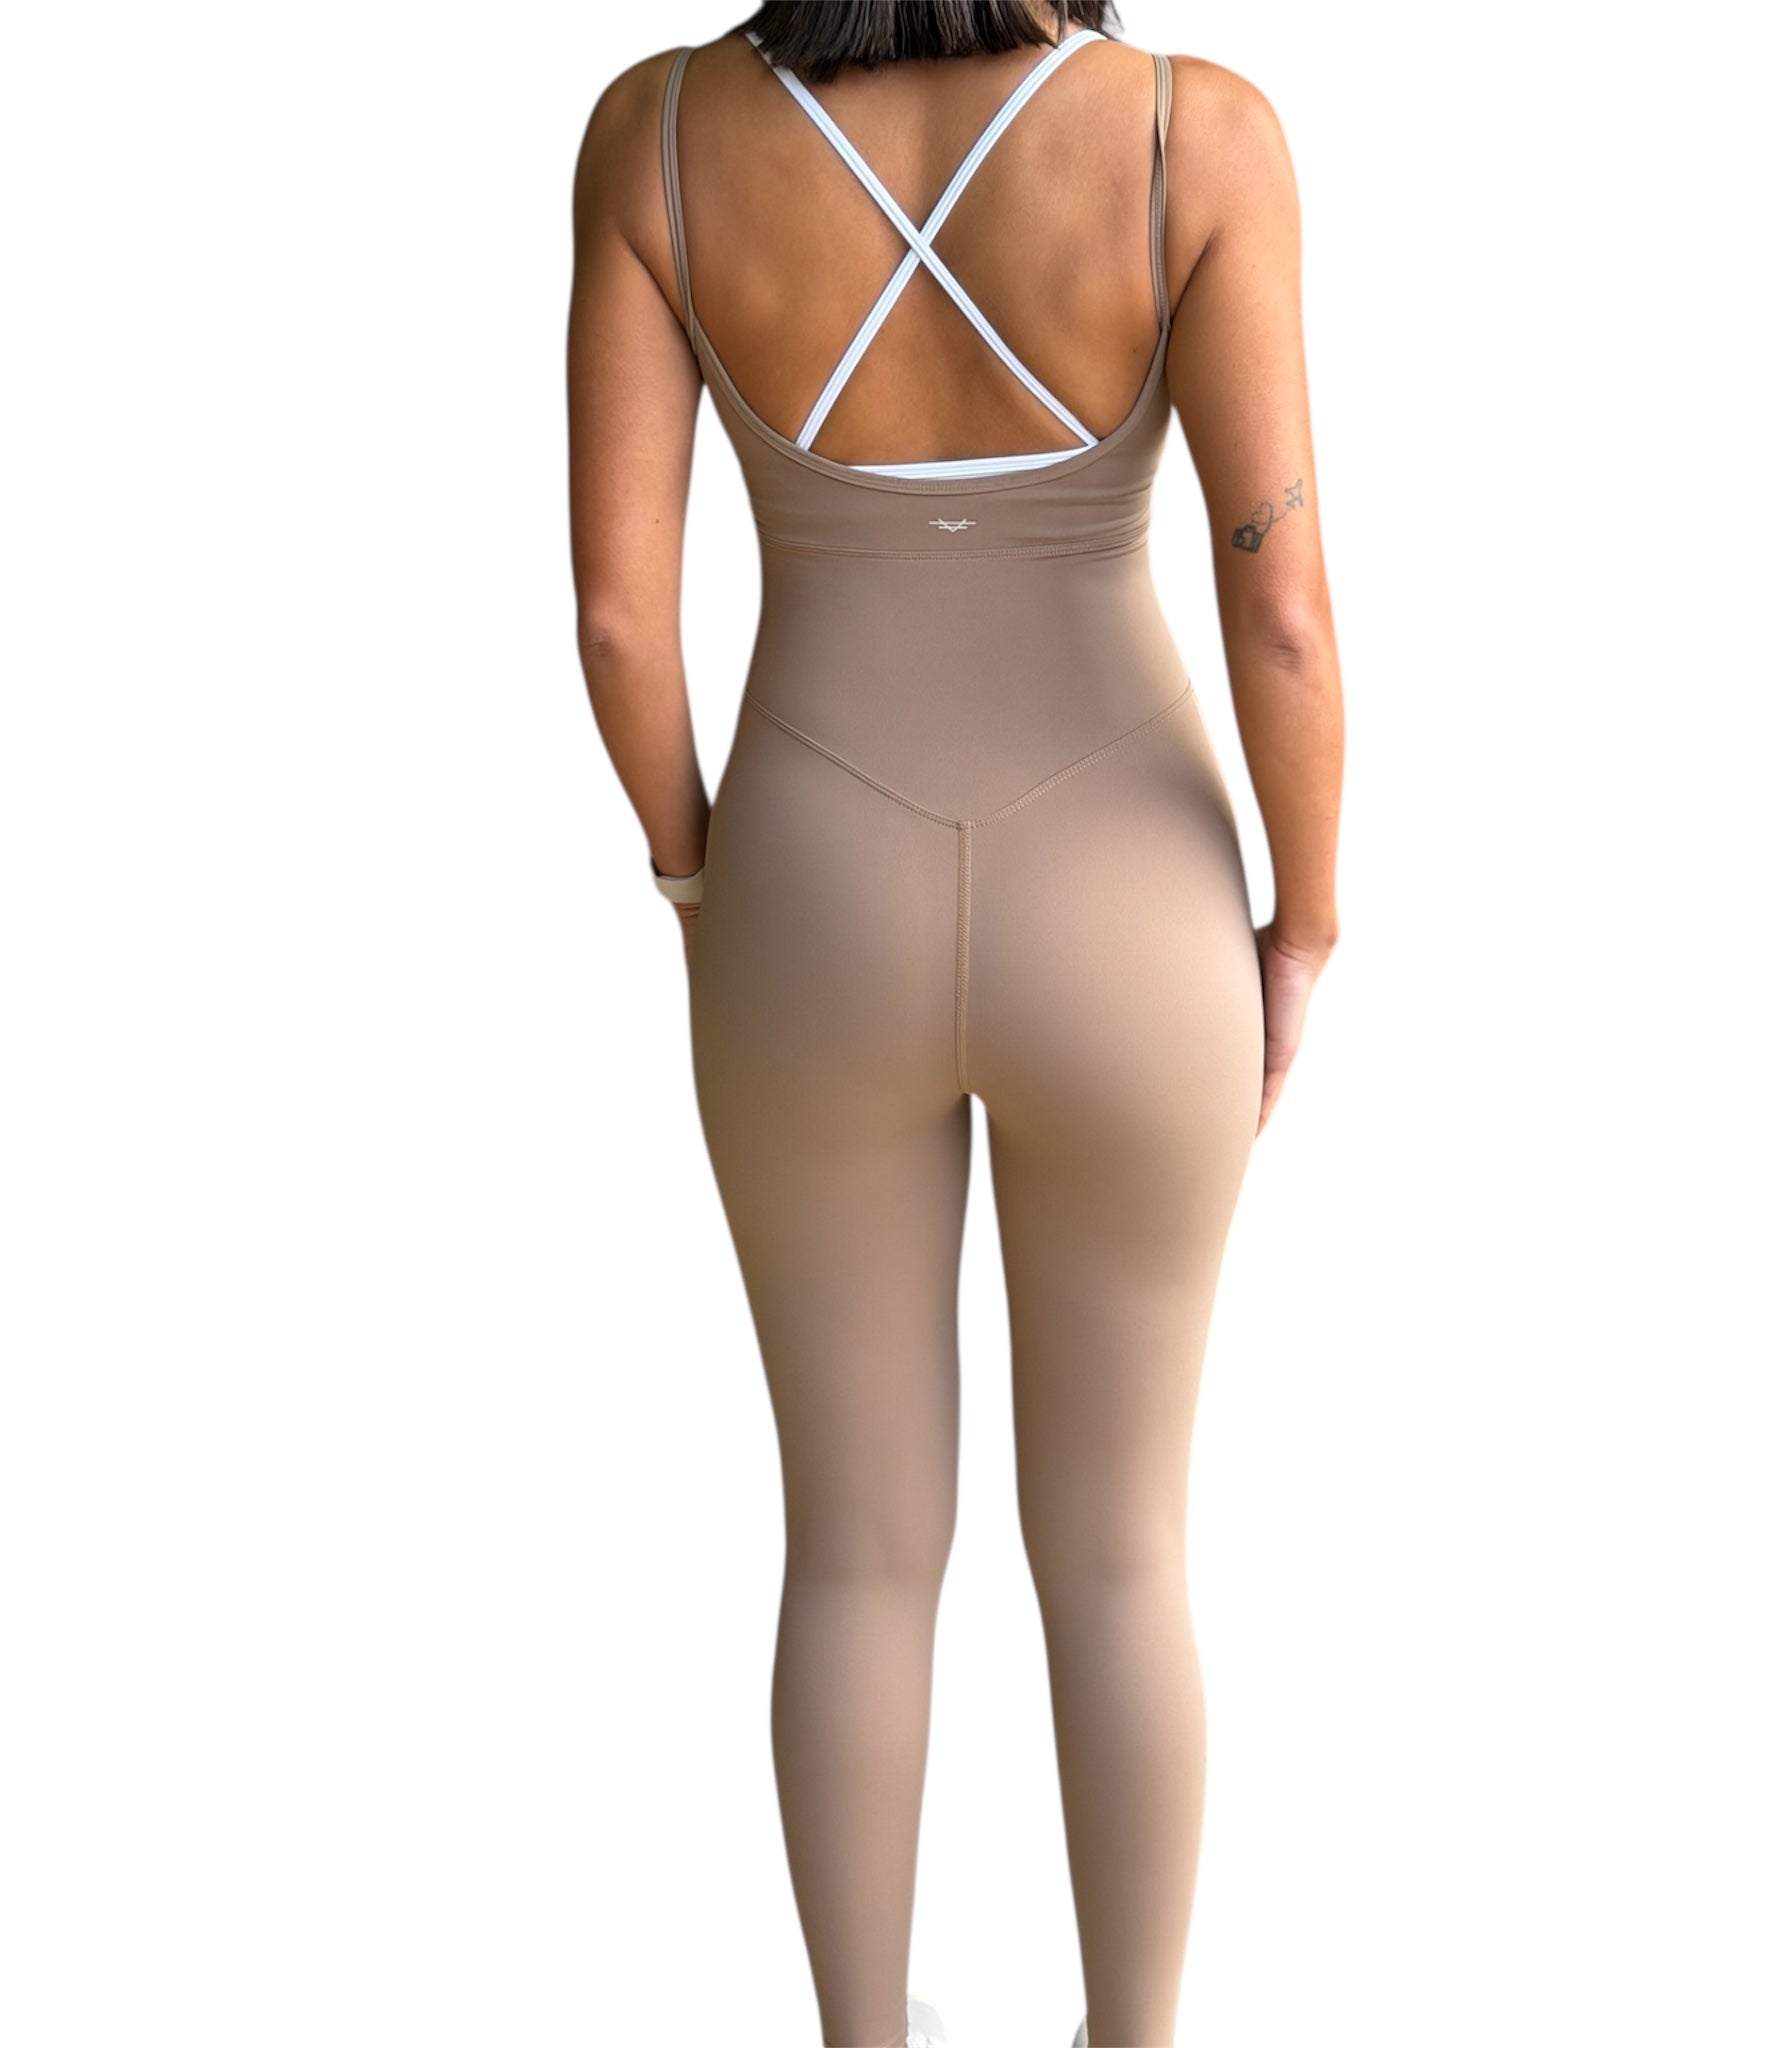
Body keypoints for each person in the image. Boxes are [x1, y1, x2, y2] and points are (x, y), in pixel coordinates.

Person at [566, 3, 1343, 2041]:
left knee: (851, 1547)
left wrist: (699, 885)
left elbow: (620, 620)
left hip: (810, 887)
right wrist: (1306, 921)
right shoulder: (1195, 135)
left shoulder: (656, 138)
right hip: (1133, 904)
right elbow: (1281, 614)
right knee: (1120, 1552)